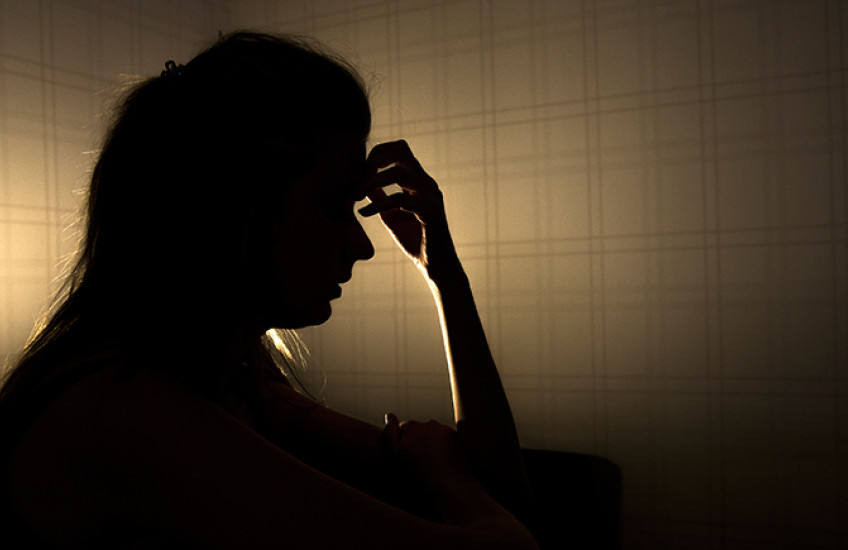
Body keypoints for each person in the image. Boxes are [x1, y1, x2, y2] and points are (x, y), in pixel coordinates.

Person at [0, 32, 539, 549]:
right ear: (232, 212)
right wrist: (453, 486)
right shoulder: (126, 413)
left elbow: (501, 493)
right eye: (335, 207)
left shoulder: (238, 383)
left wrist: (445, 275)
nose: (364, 246)